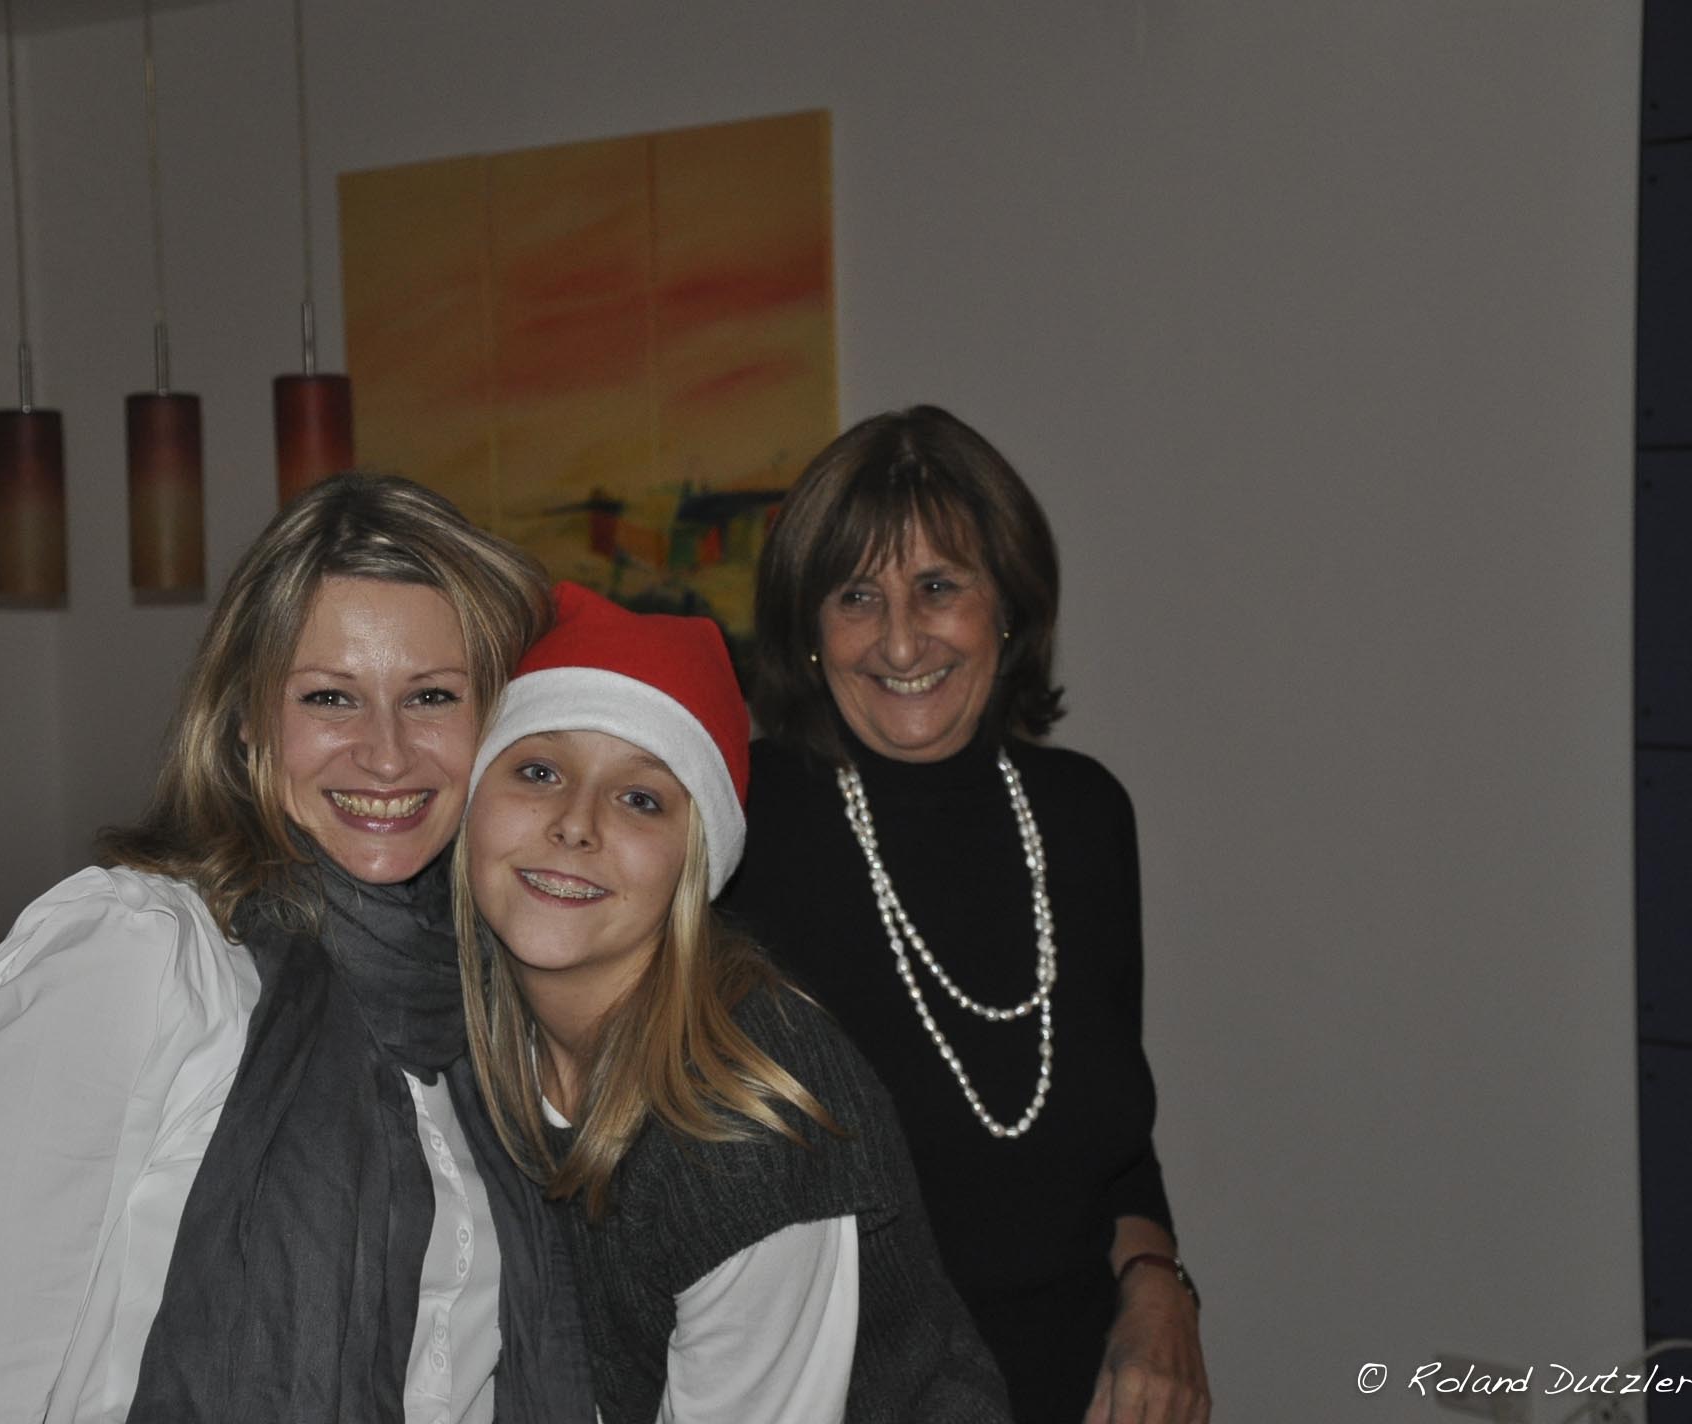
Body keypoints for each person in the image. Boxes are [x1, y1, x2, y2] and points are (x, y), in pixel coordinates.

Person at [0, 473, 594, 1424]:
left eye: (431, 696)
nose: (386, 754)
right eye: (330, 697)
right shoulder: (136, 958)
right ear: (248, 716)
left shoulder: (493, 993)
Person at [722, 405, 1210, 1424]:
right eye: (856, 595)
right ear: (809, 632)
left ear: (1009, 608)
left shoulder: (1084, 816)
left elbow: (1114, 1143)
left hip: (1082, 1391)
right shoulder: (736, 824)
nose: (901, 639)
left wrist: (1159, 1286)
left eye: (938, 586)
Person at [454, 581, 1011, 1424]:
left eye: (641, 798)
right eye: (538, 771)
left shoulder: (744, 1126)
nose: (575, 824)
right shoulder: (457, 1041)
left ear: (698, 860)